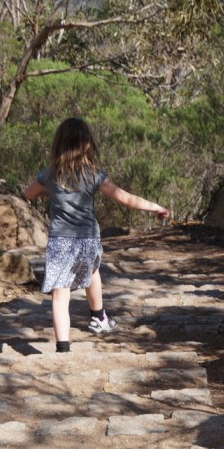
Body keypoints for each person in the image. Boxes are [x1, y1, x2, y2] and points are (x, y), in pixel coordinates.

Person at [24, 117, 170, 353]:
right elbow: (125, 198)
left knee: (60, 296)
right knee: (92, 271)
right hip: (88, 240)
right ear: (87, 144)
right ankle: (98, 317)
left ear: (58, 144)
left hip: (61, 241)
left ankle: (63, 348)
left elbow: (28, 194)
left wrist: (47, 192)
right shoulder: (94, 176)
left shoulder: (48, 175)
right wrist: (155, 207)